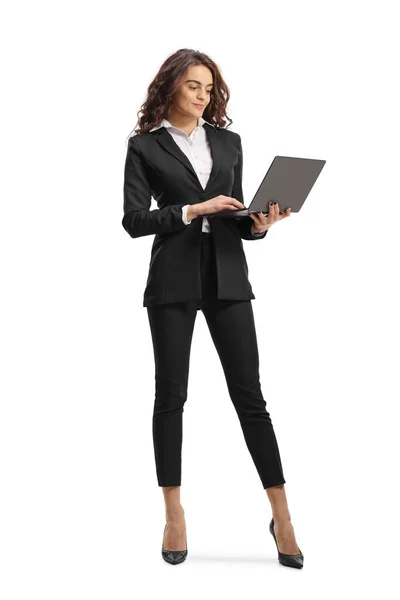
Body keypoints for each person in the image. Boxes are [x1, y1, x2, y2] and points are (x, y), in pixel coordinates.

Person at [122, 48, 303, 569]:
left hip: (227, 277)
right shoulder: (144, 147)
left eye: (209, 88)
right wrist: (191, 209)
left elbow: (240, 218)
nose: (203, 96)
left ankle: (283, 516)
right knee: (171, 397)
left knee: (251, 397)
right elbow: (134, 220)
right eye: (193, 86)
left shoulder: (228, 143)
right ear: (170, 88)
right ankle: (174, 513)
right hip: (173, 281)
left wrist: (261, 224)